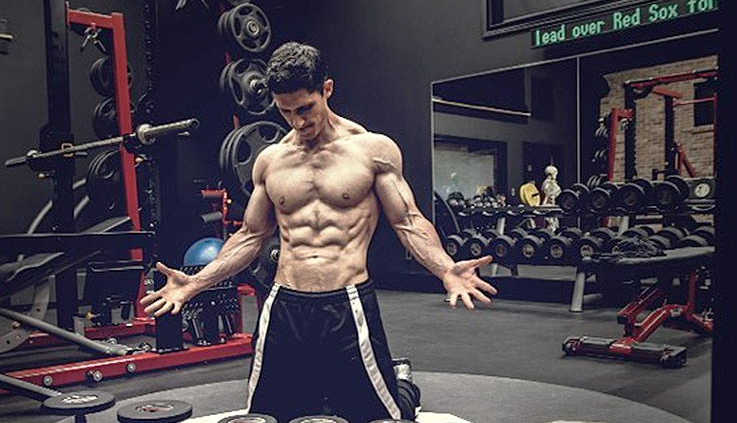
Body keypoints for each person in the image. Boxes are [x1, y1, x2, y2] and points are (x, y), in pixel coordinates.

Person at [141, 41, 497, 422]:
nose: (297, 122)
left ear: (326, 89)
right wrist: (196, 284)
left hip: (346, 303)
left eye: (305, 108)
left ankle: (403, 382)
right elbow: (250, 235)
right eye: (285, 111)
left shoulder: (371, 150)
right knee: (267, 416)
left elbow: (407, 220)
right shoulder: (271, 160)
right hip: (284, 306)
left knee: (380, 416)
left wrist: (445, 268)